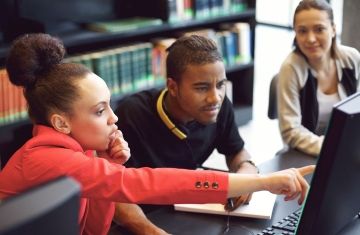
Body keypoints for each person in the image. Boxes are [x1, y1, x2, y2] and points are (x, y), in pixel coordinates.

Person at [0, 33, 314, 235]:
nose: (114, 117)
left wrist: (109, 164)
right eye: (100, 111)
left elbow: (93, 230)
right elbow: (146, 182)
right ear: (61, 123)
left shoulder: (78, 154)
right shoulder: (45, 158)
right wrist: (263, 182)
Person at [113, 35, 262, 234]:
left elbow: (235, 150)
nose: (215, 98)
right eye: (202, 88)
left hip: (187, 209)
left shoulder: (219, 106)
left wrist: (247, 171)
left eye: (220, 85)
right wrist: (150, 231)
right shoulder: (132, 114)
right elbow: (113, 192)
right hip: (146, 216)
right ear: (173, 87)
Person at [277, 0, 360, 156]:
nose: (310, 39)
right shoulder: (291, 68)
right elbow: (290, 131)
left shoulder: (352, 58)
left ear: (333, 29)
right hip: (305, 154)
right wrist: (331, 147)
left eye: (319, 29)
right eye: (302, 31)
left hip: (348, 148)